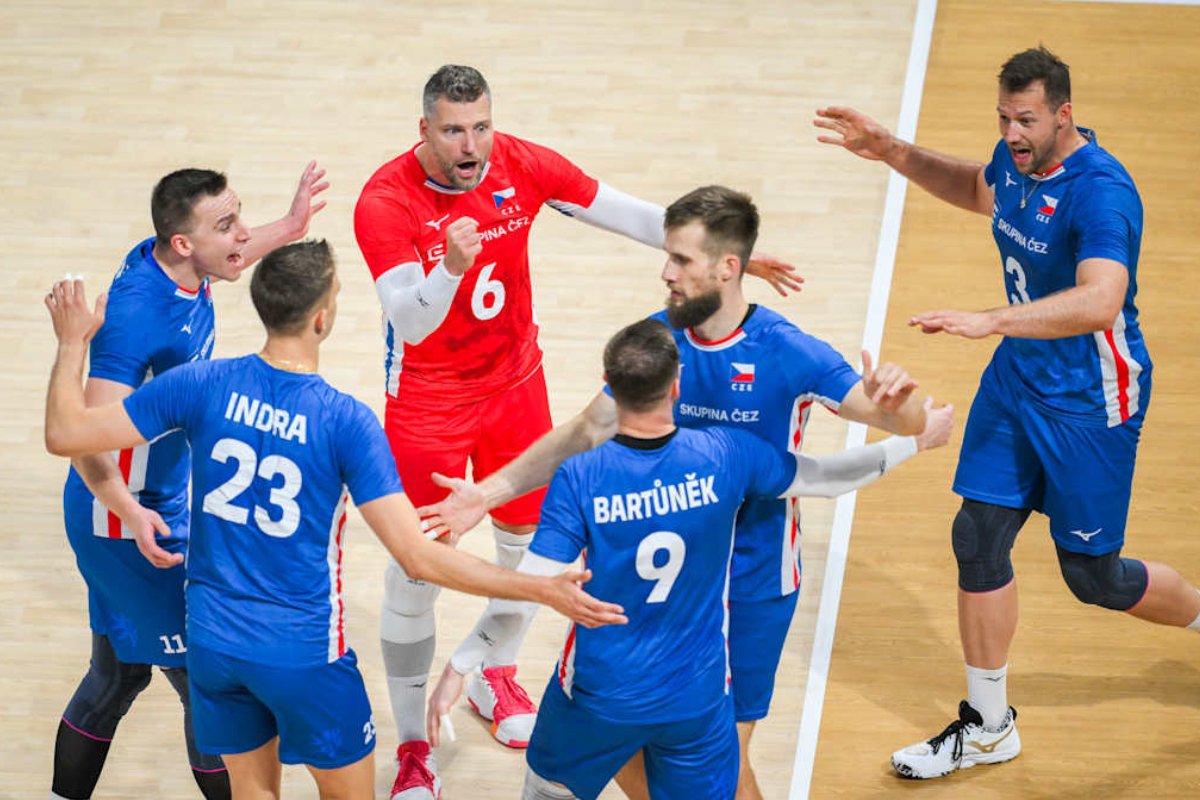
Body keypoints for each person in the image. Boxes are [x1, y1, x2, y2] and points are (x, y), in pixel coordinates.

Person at [353, 64, 801, 796]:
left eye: (481, 126)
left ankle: (493, 674)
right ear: (425, 132)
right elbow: (412, 319)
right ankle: (413, 745)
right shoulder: (384, 200)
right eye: (454, 130)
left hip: (514, 385)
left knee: (530, 549)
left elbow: (624, 212)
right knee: (415, 573)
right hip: (429, 402)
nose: (472, 145)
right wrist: (451, 270)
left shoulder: (519, 163)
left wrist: (726, 257)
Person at [42, 242, 627, 800]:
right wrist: (540, 588)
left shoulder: (200, 385)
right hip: (304, 656)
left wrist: (72, 343)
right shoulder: (345, 422)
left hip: (215, 645)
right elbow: (419, 557)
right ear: (322, 319)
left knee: (253, 791)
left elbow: (66, 434)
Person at [418, 185, 932, 799]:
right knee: (642, 740)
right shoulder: (659, 342)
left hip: (752, 581)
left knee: (727, 757)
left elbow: (890, 418)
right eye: (667, 256)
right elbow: (587, 429)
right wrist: (487, 493)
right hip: (653, 579)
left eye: (682, 261)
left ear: (727, 267)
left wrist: (903, 409)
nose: (666, 273)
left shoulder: (790, 352)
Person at [814, 45, 1200, 780]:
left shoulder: (1102, 193)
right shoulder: (1016, 162)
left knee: (1095, 578)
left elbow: (1102, 299)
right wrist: (890, 148)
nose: (1011, 133)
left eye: (1025, 119)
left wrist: (991, 319)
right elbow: (976, 185)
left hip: (1091, 400)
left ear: (1065, 114)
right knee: (977, 536)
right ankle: (989, 725)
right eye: (1003, 117)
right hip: (1018, 382)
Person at [51, 163, 327, 800]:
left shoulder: (180, 262)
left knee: (117, 678)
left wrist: (291, 226)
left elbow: (226, 255)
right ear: (183, 244)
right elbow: (81, 435)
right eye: (227, 225)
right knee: (208, 685)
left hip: (158, 504)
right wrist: (129, 508)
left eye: (239, 218)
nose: (243, 235)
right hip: (126, 520)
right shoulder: (136, 322)